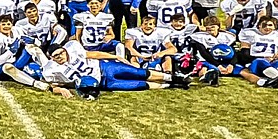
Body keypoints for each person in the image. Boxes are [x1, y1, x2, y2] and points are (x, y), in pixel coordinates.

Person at [41, 40, 191, 100]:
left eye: (60, 53)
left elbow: (94, 54)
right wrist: (61, 90)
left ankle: (172, 78)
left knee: (139, 73)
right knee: (137, 85)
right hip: (104, 84)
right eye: (55, 56)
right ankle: (169, 85)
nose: (60, 56)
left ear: (64, 50)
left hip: (105, 67)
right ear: (51, 58)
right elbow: (52, 85)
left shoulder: (73, 48)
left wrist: (116, 58)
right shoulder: (51, 69)